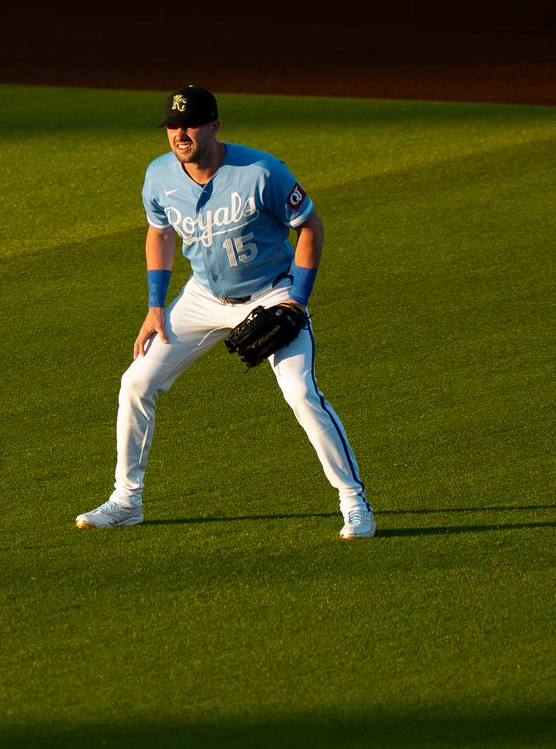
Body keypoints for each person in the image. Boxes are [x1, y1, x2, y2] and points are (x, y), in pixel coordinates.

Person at [74, 85, 375, 539]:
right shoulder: (158, 177)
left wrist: (298, 299)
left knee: (300, 394)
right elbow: (159, 234)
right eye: (173, 125)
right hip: (202, 297)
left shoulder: (262, 172)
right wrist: (156, 307)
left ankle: (355, 503)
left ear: (214, 126)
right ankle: (126, 501)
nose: (180, 133)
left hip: (270, 294)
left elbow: (310, 226)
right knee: (136, 381)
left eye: (190, 123)